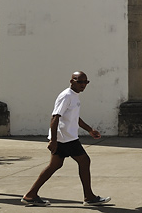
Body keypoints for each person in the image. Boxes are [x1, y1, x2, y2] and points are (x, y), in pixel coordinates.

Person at [21, 71, 111, 207]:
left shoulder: (74, 96)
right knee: (84, 161)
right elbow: (55, 117)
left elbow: (75, 118)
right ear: (71, 81)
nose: (83, 85)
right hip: (66, 138)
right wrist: (53, 140)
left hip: (65, 137)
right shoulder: (66, 96)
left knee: (55, 165)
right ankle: (89, 197)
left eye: (85, 82)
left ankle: (30, 195)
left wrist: (90, 130)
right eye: (79, 81)